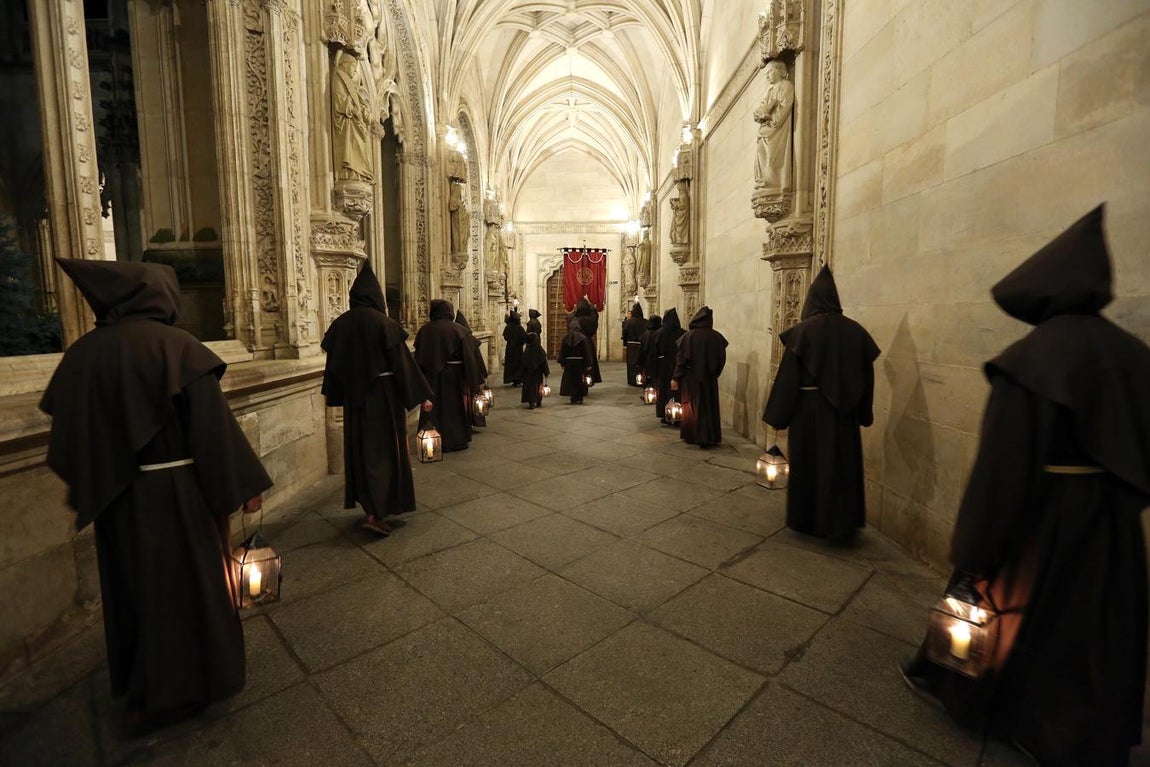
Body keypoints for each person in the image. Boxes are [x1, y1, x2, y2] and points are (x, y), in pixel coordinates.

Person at [902, 206, 1150, 766]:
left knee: (1024, 618)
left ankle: (1019, 719)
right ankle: (1084, 734)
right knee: (1091, 631)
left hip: (1043, 524)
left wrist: (973, 551)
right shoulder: (1133, 358)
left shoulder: (1034, 359)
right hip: (1111, 528)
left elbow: (1004, 466)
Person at [40, 259, 272, 730]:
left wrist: (99, 479)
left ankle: (143, 683)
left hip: (118, 499)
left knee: (135, 591)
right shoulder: (177, 349)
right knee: (185, 591)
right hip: (177, 496)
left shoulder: (83, 355)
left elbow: (69, 438)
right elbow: (210, 430)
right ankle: (181, 689)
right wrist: (242, 489)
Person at [762, 266, 878, 540]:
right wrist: (864, 412)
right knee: (840, 465)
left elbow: (789, 378)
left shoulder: (802, 333)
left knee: (810, 464)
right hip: (843, 415)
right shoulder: (856, 332)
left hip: (808, 413)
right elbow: (866, 378)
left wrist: (779, 416)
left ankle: (808, 519)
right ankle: (840, 522)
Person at [322, 263, 433, 536]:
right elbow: (402, 363)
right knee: (383, 453)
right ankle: (377, 513)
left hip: (354, 403)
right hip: (382, 400)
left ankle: (370, 509)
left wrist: (340, 395)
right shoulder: (385, 324)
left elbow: (333, 367)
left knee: (361, 453)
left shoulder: (340, 325)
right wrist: (422, 396)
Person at [414, 299, 480, 452]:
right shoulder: (459, 330)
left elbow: (418, 358)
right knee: (455, 407)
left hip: (432, 377)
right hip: (455, 377)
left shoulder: (424, 330)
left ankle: (432, 441)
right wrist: (473, 384)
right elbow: (469, 359)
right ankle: (456, 440)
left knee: (434, 409)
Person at [671, 306, 728, 447]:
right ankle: (711, 436)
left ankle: (694, 435)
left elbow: (681, 360)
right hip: (710, 378)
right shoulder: (717, 337)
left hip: (691, 377)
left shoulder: (688, 336)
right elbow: (722, 359)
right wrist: (714, 373)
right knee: (709, 406)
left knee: (692, 406)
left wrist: (676, 377)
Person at [753, 60, 795, 195]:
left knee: (772, 157)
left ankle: (774, 184)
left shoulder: (786, 85)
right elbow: (761, 107)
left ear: (780, 70)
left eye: (770, 71)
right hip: (765, 131)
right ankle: (763, 181)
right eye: (766, 73)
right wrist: (759, 113)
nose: (767, 76)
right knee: (761, 154)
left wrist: (770, 116)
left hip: (776, 130)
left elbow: (785, 107)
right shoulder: (770, 90)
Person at [652, 308, 685, 421]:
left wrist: (652, 370)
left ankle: (664, 414)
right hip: (678, 364)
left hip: (662, 365)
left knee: (663, 390)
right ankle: (679, 415)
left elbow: (653, 353)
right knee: (678, 390)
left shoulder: (658, 333)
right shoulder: (683, 333)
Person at [558, 316, 594, 404]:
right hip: (580, 362)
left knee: (570, 380)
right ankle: (579, 397)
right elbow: (586, 352)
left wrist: (562, 362)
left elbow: (563, 351)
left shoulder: (565, 337)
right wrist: (588, 363)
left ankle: (572, 397)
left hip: (569, 362)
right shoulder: (582, 338)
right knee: (579, 380)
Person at [573, 297, 602, 384]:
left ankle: (578, 383)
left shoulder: (575, 319)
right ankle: (587, 382)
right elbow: (595, 315)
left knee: (578, 364)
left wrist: (575, 310)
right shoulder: (590, 319)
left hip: (576, 344)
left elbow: (570, 318)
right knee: (588, 363)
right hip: (587, 343)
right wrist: (590, 304)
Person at [520, 332, 550, 410]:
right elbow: (544, 361)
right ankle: (538, 400)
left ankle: (531, 402)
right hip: (538, 373)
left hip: (528, 374)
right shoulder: (540, 350)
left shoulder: (526, 352)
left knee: (529, 387)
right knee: (538, 386)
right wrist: (546, 372)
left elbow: (523, 363)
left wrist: (521, 374)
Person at [622, 302, 646, 386]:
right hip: (642, 344)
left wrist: (625, 342)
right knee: (641, 363)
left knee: (631, 363)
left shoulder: (628, 322)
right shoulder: (645, 322)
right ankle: (642, 379)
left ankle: (632, 380)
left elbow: (624, 333)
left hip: (631, 344)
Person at [638, 312, 662, 396]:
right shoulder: (660, 333)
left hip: (648, 359)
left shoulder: (646, 334)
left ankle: (648, 395)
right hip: (659, 360)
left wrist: (639, 361)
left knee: (648, 378)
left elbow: (642, 349)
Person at [502, 309, 527, 386]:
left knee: (511, 363)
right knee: (518, 363)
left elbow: (505, 337)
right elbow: (524, 337)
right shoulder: (519, 328)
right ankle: (518, 380)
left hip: (510, 348)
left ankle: (512, 379)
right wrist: (520, 343)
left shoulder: (508, 327)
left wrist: (511, 341)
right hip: (518, 349)